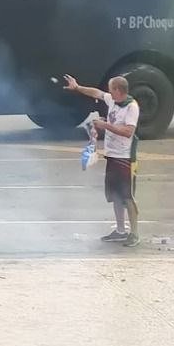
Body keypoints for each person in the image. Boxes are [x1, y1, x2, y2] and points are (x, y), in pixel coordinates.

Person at [63, 74, 141, 247]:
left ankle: (134, 233)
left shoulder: (131, 107)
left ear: (118, 90)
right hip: (112, 155)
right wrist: (77, 87)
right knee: (115, 195)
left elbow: (128, 132)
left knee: (128, 197)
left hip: (126, 158)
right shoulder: (113, 101)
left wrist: (104, 125)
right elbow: (96, 93)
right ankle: (120, 231)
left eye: (111, 89)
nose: (108, 92)